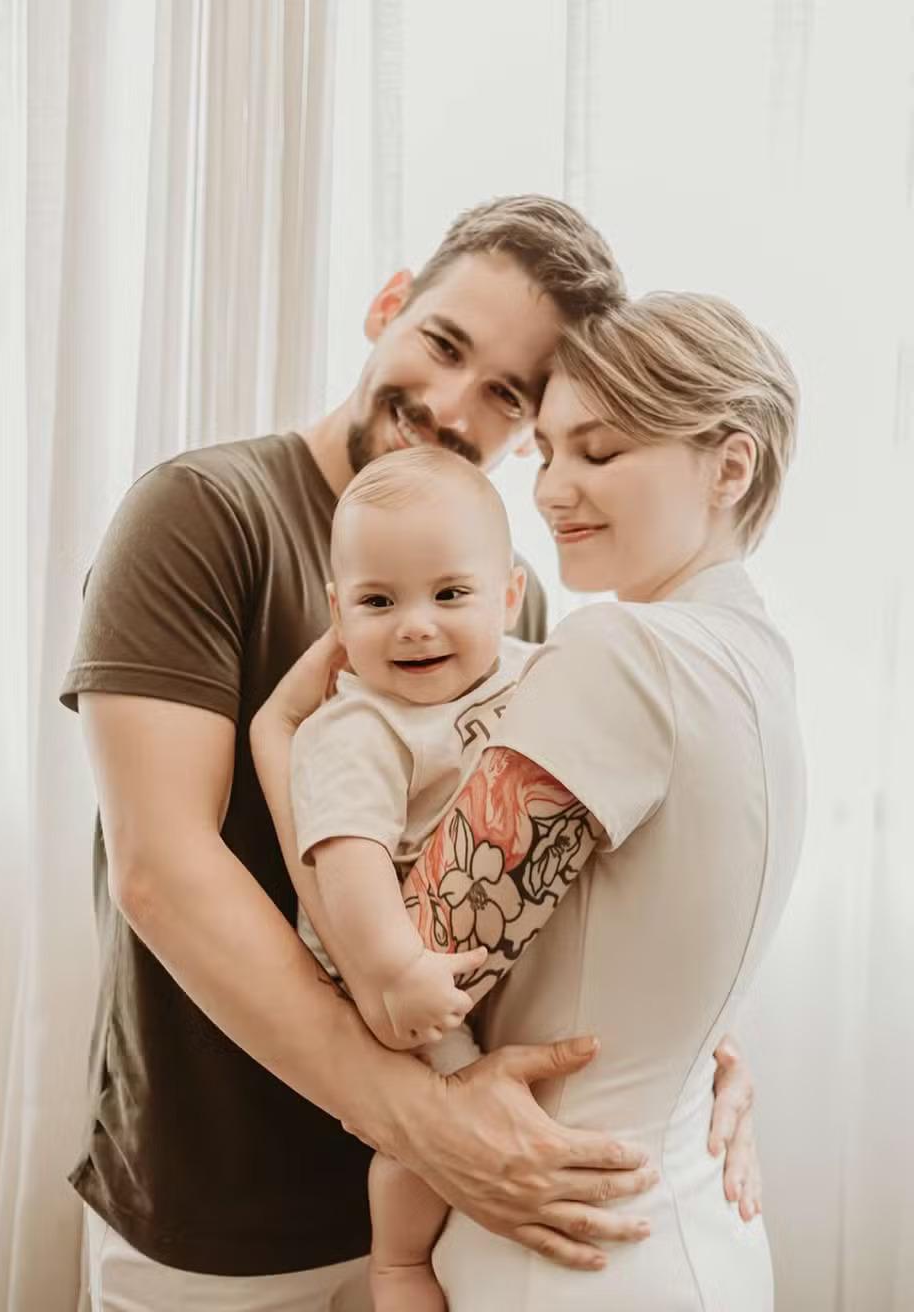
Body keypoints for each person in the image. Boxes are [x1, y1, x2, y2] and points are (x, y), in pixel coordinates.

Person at [62, 195, 757, 1309]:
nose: (448, 406)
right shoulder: (203, 513)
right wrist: (427, 1122)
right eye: (444, 344)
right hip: (224, 1212)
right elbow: (164, 872)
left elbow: (553, 883)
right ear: (391, 302)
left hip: (450, 1217)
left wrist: (699, 1055)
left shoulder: (497, 608)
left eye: (505, 395)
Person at [258, 290, 804, 1309]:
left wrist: (280, 745)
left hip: (567, 1248)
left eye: (599, 452)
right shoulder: (757, 658)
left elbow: (411, 969)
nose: (555, 490)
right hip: (694, 1222)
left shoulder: (622, 652)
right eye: (545, 452)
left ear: (731, 466)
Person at [253, 447, 555, 1312]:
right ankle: (400, 1264)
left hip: (490, 916)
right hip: (396, 937)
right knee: (439, 1103)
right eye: (379, 602)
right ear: (339, 617)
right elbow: (345, 857)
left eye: (449, 595)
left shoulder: (534, 670)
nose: (415, 625)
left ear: (509, 596)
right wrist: (392, 970)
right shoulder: (358, 729)